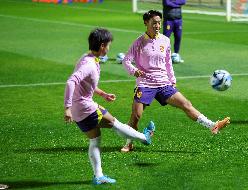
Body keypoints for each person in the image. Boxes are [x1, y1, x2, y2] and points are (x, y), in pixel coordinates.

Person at [121, 10, 230, 153]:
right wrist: (134, 70)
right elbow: (126, 60)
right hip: (145, 84)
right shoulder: (139, 42)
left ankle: (212, 125)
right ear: (146, 23)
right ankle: (129, 143)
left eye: (159, 22)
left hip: (163, 83)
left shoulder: (165, 40)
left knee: (186, 104)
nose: (158, 25)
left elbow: (168, 63)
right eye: (154, 23)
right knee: (136, 116)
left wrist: (172, 80)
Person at [64, 28, 155, 185]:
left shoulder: (86, 58)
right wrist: (67, 108)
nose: (109, 48)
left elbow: (85, 84)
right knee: (115, 123)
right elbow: (71, 81)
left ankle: (98, 176)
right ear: (102, 46)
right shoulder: (89, 64)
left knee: (95, 140)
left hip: (79, 110)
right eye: (108, 45)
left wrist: (103, 94)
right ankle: (144, 138)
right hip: (86, 107)